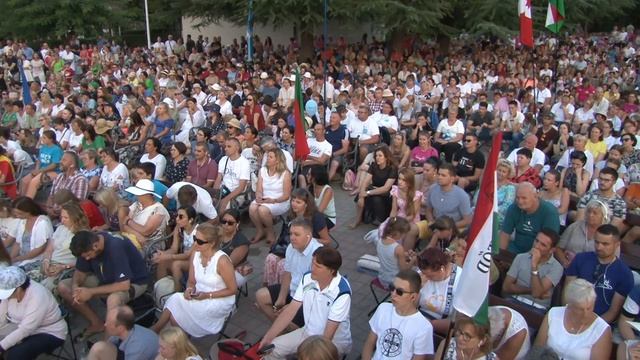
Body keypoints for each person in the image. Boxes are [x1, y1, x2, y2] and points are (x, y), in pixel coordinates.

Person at [260, 247, 352, 359]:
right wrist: (269, 336)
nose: (312, 268)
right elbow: (291, 309)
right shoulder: (308, 278)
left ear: (331, 270)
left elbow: (328, 334)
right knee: (270, 350)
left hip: (333, 342)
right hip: (307, 332)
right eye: (312, 263)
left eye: (318, 266)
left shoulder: (342, 292)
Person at [57, 231, 149, 338]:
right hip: (106, 279)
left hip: (135, 282)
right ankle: (97, 323)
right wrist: (75, 287)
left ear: (95, 246)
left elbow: (124, 285)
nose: (87, 259)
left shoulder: (115, 246)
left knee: (113, 299)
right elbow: (80, 272)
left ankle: (107, 344)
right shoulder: (88, 244)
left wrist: (90, 292)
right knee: (64, 286)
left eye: (88, 255)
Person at [151, 223, 237, 337]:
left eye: (200, 242)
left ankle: (158, 331)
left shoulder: (222, 261)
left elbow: (232, 290)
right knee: (174, 312)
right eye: (194, 239)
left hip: (219, 299)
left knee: (175, 303)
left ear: (211, 244)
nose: (195, 243)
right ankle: (180, 342)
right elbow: (191, 281)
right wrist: (189, 289)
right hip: (199, 294)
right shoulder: (196, 255)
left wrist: (207, 295)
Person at [256, 218, 323, 325]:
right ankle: (281, 328)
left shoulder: (318, 254)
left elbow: (316, 289)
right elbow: (288, 274)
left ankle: (288, 330)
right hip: (293, 291)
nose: (292, 238)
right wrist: (281, 298)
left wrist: (292, 305)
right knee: (261, 295)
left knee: (285, 317)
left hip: (308, 299)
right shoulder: (291, 248)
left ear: (308, 236)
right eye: (291, 233)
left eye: (297, 234)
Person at [565, 224, 634, 323]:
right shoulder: (580, 259)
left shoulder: (624, 274)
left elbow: (613, 312)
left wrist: (591, 327)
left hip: (599, 323)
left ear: (617, 244)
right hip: (571, 315)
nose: (599, 247)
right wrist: (569, 316)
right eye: (596, 242)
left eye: (605, 244)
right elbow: (567, 292)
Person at [362, 269, 434, 360]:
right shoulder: (383, 309)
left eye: (400, 292)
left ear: (413, 297)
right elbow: (369, 343)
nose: (393, 294)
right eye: (392, 288)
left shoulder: (423, 327)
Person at [0, 266, 67, 359]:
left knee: (15, 355)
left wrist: (1, 347)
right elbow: (2, 315)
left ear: (18, 289)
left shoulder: (37, 296)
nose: (6, 297)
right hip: (21, 326)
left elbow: (25, 329)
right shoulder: (11, 292)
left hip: (50, 331)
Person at [534, 279, 612, 360]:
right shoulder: (553, 314)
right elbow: (537, 350)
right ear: (570, 305)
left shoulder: (601, 330)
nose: (585, 314)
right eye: (580, 309)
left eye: (589, 308)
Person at [503, 229, 564, 312]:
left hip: (537, 308)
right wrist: (531, 290)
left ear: (551, 250)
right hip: (513, 300)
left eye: (543, 245)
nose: (536, 246)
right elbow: (506, 287)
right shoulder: (520, 257)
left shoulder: (557, 267)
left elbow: (536, 293)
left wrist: (534, 265)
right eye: (536, 241)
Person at [36, 203, 88, 290]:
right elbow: (49, 249)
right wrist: (46, 261)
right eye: (61, 217)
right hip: (50, 262)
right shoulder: (61, 228)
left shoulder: (83, 234)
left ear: (74, 217)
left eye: (66, 218)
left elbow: (84, 260)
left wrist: (63, 267)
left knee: (45, 287)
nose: (62, 220)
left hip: (66, 267)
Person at [500, 182, 560, 254]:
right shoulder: (513, 208)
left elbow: (547, 243)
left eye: (524, 198)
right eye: (517, 197)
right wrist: (500, 255)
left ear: (535, 196)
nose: (520, 201)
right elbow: (505, 234)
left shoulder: (550, 213)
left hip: (536, 254)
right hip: (514, 249)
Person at [249, 148, 292, 244]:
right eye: (268, 156)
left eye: (270, 157)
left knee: (262, 210)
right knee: (252, 207)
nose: (267, 158)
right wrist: (259, 196)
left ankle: (270, 231)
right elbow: (259, 189)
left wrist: (273, 200)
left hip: (280, 201)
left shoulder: (285, 173)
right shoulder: (263, 170)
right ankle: (260, 230)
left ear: (277, 160)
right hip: (265, 199)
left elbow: (286, 196)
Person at [416, 247, 462, 334]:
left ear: (442, 269)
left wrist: (429, 325)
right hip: (417, 316)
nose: (427, 278)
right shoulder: (423, 274)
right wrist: (417, 288)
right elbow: (410, 304)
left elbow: (457, 320)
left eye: (430, 276)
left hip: (439, 326)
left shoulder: (460, 280)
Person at [153, 206, 199, 292]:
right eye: (177, 216)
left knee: (176, 264)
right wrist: (162, 255)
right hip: (184, 258)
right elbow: (174, 248)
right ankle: (160, 292)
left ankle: (177, 294)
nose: (177, 219)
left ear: (190, 220)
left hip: (195, 261)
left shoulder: (198, 232)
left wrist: (167, 256)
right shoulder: (179, 228)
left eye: (181, 217)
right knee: (162, 261)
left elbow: (188, 255)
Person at [88, 305, 159, 360]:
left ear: (121, 328)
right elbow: (111, 342)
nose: (105, 324)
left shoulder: (137, 348)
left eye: (109, 323)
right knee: (98, 348)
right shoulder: (127, 329)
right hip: (126, 352)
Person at [352, 145, 397, 227]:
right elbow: (365, 182)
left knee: (376, 198)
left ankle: (380, 219)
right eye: (376, 155)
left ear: (386, 157)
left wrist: (368, 192)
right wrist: (362, 194)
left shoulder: (392, 168)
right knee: (360, 195)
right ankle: (358, 219)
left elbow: (386, 188)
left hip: (388, 193)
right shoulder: (373, 166)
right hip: (375, 189)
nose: (377, 158)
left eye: (380, 156)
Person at [555, 199, 609, 268]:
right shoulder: (575, 226)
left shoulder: (608, 234)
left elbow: (608, 260)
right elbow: (558, 248)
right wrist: (565, 262)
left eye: (595, 213)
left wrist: (578, 261)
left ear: (604, 216)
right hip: (568, 267)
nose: (590, 215)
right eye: (589, 212)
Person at [121, 179, 170, 254]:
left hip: (150, 245)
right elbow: (124, 225)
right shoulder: (136, 204)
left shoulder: (159, 210)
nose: (137, 196)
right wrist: (137, 235)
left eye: (139, 194)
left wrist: (129, 221)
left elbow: (146, 231)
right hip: (134, 239)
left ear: (147, 195)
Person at [9, 196, 53, 269]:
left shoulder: (42, 223)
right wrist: (10, 258)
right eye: (15, 213)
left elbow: (39, 249)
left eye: (20, 213)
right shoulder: (23, 221)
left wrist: (17, 259)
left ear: (28, 211)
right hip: (21, 257)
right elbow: (17, 243)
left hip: (36, 259)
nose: (17, 216)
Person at [424, 163, 473, 230]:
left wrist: (446, 227)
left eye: (443, 175)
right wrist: (431, 222)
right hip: (435, 224)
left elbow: (467, 220)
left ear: (452, 179)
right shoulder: (432, 188)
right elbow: (428, 210)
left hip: (453, 228)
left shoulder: (462, 196)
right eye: (439, 174)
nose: (439, 177)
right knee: (413, 229)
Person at [20, 130, 63, 198]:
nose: (42, 139)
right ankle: (21, 200)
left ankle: (28, 202)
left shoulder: (56, 149)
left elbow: (54, 165)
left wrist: (40, 171)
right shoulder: (43, 147)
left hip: (54, 171)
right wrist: (37, 169)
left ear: (51, 139)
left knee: (34, 182)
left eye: (44, 138)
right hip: (41, 170)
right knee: (24, 181)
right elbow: (39, 160)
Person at [389, 168, 423, 250]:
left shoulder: (416, 195)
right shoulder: (395, 191)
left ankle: (404, 253)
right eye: (399, 179)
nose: (400, 182)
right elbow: (393, 210)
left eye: (403, 180)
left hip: (412, 220)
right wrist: (391, 220)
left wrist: (398, 223)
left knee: (401, 230)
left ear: (409, 182)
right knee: (387, 228)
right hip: (399, 216)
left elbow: (412, 215)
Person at [213, 138, 250, 212]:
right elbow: (218, 178)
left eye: (229, 146)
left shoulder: (244, 163)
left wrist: (226, 199)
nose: (225, 149)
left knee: (223, 206)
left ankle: (219, 222)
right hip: (222, 191)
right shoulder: (223, 159)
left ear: (237, 148)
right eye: (225, 146)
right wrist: (214, 194)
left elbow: (241, 188)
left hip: (236, 194)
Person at [218, 209, 251, 287]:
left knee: (216, 283)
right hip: (216, 267)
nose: (226, 225)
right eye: (224, 221)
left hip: (235, 270)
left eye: (230, 223)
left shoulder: (241, 242)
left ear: (237, 224)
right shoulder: (217, 234)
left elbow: (229, 264)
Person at [298, 123, 332, 188]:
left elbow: (322, 161)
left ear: (324, 131)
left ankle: (306, 193)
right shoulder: (309, 141)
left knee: (309, 176)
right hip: (305, 165)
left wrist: (309, 159)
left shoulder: (328, 145)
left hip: (317, 167)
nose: (316, 132)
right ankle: (304, 194)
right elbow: (302, 155)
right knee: (301, 177)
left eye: (318, 130)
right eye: (315, 130)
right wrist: (316, 159)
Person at [496, 159, 517, 229]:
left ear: (508, 174)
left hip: (498, 216)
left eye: (504, 172)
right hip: (484, 210)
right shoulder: (490, 182)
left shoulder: (510, 188)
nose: (500, 173)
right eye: (499, 170)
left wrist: (491, 211)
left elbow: (506, 206)